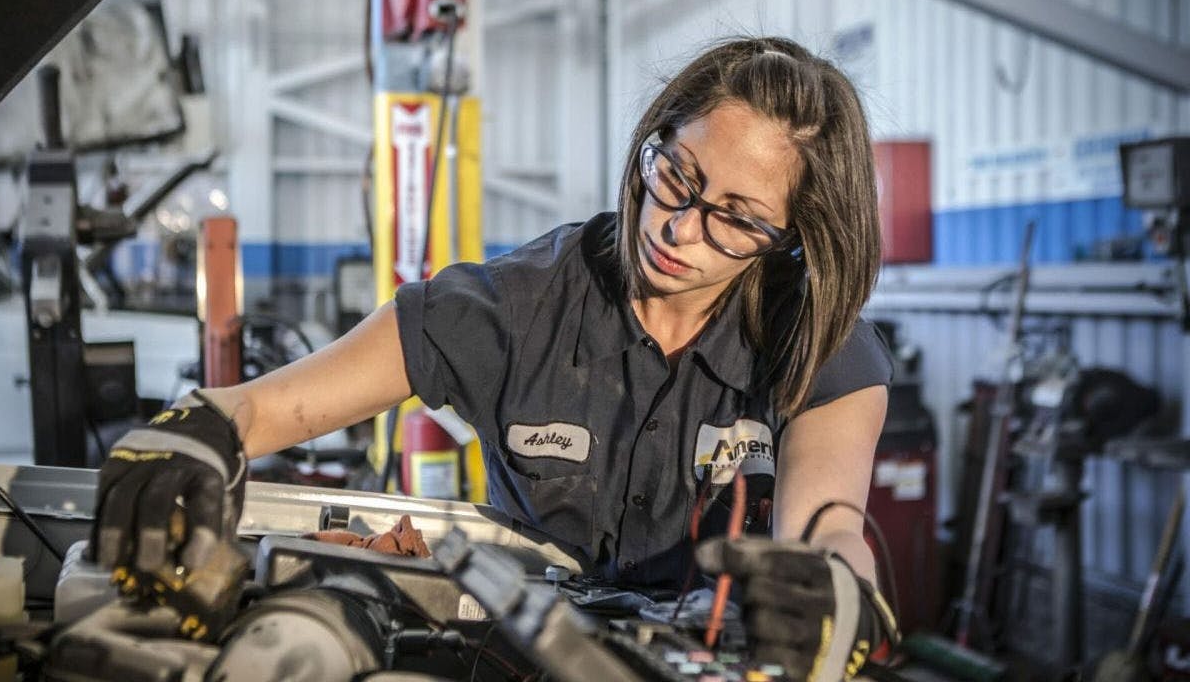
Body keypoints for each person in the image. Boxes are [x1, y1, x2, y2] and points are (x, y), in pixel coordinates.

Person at [92, 36, 898, 680]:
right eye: (677, 176)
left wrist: (836, 593)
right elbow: (271, 406)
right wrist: (199, 426)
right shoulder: (516, 306)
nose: (679, 228)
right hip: (516, 653)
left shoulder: (821, 344)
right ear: (652, 141)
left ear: (790, 238)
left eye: (735, 218)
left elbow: (829, 535)